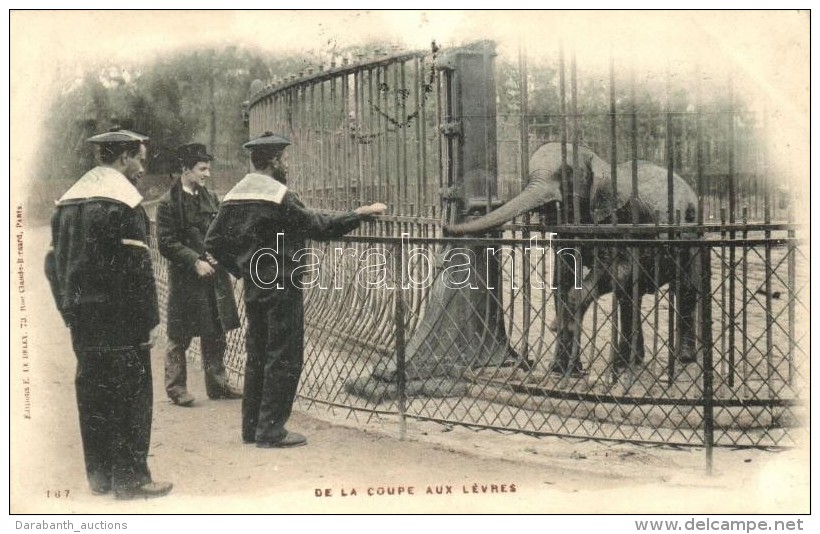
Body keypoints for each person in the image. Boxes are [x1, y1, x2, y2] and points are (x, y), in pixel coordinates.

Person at [205, 132, 386, 448]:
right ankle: (271, 430)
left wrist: (242, 269)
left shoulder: (234, 195)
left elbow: (214, 242)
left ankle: (252, 428)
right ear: (274, 161)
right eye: (284, 159)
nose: (286, 165)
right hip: (283, 283)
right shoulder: (279, 196)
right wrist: (358, 215)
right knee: (284, 355)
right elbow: (318, 226)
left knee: (257, 353)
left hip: (254, 283)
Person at [44, 128, 173, 499]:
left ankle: (100, 476)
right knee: (130, 394)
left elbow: (52, 262)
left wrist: (67, 307)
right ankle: (131, 479)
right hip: (121, 318)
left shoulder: (67, 202)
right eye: (140, 161)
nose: (142, 170)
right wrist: (150, 319)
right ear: (123, 158)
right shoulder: (124, 202)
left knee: (93, 391)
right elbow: (138, 266)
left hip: (82, 317)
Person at [156, 143, 242, 407]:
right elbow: (166, 242)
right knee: (179, 334)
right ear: (185, 169)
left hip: (213, 275)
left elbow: (222, 231)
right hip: (186, 278)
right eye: (202, 169)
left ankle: (218, 385)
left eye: (208, 168)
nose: (207, 174)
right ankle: (176, 388)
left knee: (216, 331)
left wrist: (220, 252)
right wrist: (194, 261)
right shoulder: (168, 202)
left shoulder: (211, 198)